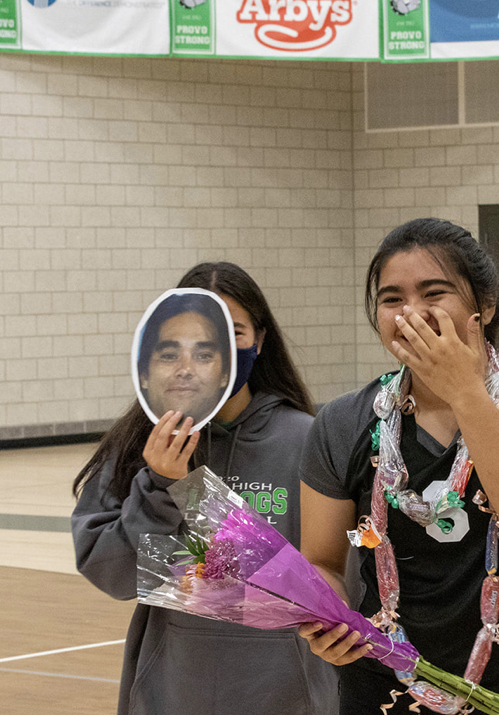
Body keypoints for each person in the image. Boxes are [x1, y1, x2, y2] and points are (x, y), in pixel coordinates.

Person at [296, 218, 499, 714]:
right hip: (379, 690)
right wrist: (323, 615)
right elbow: (324, 563)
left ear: (485, 305)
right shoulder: (341, 422)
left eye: (433, 292)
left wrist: (465, 391)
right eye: (392, 299)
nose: (410, 313)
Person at [72, 262, 338, 715]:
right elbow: (112, 574)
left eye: (230, 334)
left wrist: (192, 566)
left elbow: (332, 581)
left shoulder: (309, 440)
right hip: (173, 692)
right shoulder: (141, 444)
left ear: (260, 340)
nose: (198, 359)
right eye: (177, 347)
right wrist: (160, 486)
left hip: (288, 693)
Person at [136, 291, 231, 424]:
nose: (185, 370)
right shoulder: (119, 443)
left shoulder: (254, 442)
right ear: (144, 375)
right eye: (169, 356)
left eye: (203, 356)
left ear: (225, 375)